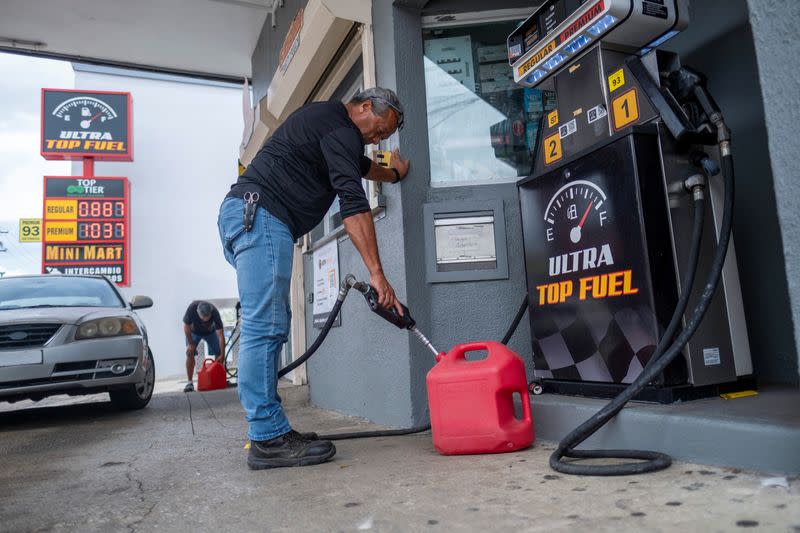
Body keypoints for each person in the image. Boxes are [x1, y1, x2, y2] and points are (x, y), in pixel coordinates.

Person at [218, 87, 409, 470]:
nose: (378, 139)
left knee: (272, 325)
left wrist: (391, 174)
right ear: (366, 107)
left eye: (384, 138)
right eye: (379, 130)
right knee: (264, 326)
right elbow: (353, 202)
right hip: (261, 217)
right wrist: (377, 274)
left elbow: (361, 166)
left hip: (257, 220)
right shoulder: (337, 126)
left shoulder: (334, 133)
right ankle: (267, 437)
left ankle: (272, 429)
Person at [182, 300, 226, 392]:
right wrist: (190, 344)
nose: (205, 320)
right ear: (198, 313)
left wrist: (222, 353)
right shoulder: (192, 308)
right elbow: (186, 326)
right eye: (203, 318)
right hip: (194, 332)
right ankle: (190, 383)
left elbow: (220, 334)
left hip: (210, 333)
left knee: (219, 352)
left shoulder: (214, 312)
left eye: (208, 318)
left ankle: (218, 378)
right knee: (189, 353)